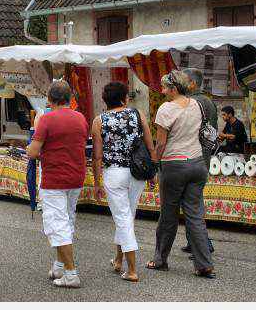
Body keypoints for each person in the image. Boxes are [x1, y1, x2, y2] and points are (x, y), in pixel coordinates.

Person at [147, 70, 215, 279]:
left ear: (174, 88)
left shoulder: (166, 109)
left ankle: (160, 259)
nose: (163, 90)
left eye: (165, 87)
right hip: (197, 164)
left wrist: (154, 165)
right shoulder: (197, 105)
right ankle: (204, 264)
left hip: (174, 164)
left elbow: (161, 144)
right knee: (195, 215)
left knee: (168, 215)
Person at [91, 81, 156, 283]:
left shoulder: (99, 120)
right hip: (137, 173)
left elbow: (97, 156)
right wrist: (152, 172)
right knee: (127, 216)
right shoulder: (137, 115)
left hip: (114, 173)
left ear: (105, 100)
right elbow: (149, 145)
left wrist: (96, 182)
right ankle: (119, 260)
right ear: (124, 98)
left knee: (123, 218)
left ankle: (132, 270)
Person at [27, 80, 88, 288]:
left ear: (49, 99)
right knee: (67, 220)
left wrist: (30, 147)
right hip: (76, 176)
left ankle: (71, 274)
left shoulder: (46, 119)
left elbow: (33, 152)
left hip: (54, 178)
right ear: (70, 99)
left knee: (56, 224)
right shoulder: (80, 118)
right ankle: (59, 266)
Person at [182, 68, 216, 256]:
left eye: (184, 80)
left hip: (193, 157)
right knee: (192, 202)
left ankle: (203, 244)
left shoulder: (194, 102)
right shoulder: (207, 101)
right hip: (202, 157)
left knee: (193, 204)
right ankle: (193, 240)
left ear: (192, 84)